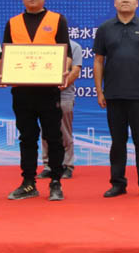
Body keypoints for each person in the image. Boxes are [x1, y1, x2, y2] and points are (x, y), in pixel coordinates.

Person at [0, 0, 71, 201]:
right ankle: (28, 183)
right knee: (27, 137)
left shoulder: (57, 20)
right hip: (22, 92)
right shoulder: (13, 23)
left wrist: (64, 70)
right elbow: (5, 56)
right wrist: (2, 72)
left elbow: (66, 54)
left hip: (48, 91)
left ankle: (56, 182)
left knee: (53, 136)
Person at [93, 0, 139, 200]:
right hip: (114, 95)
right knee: (117, 142)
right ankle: (118, 183)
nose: (125, 0)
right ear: (114, 2)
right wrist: (99, 91)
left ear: (137, 2)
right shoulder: (105, 29)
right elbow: (98, 61)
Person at [38, 39, 82, 180]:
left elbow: (75, 71)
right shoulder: (44, 44)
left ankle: (67, 165)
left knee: (64, 132)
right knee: (46, 131)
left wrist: (62, 85)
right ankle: (48, 165)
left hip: (64, 95)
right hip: (44, 95)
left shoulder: (74, 46)